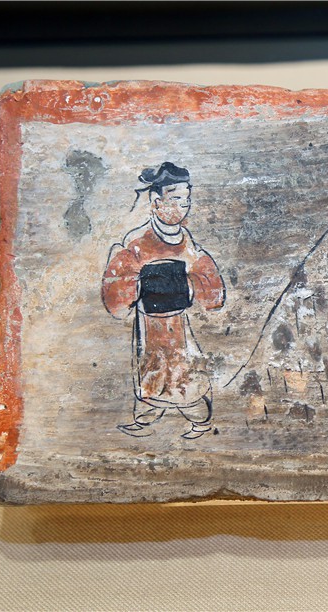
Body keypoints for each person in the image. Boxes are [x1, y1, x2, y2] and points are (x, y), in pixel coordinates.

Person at [102, 162, 226, 438]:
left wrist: (188, 286)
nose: (182, 207)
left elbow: (205, 275)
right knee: (150, 371)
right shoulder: (137, 241)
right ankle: (144, 420)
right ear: (157, 201)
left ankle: (201, 421)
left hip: (178, 325)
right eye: (175, 199)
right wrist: (142, 285)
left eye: (186, 200)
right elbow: (118, 282)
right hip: (149, 323)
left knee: (183, 374)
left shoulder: (186, 241)